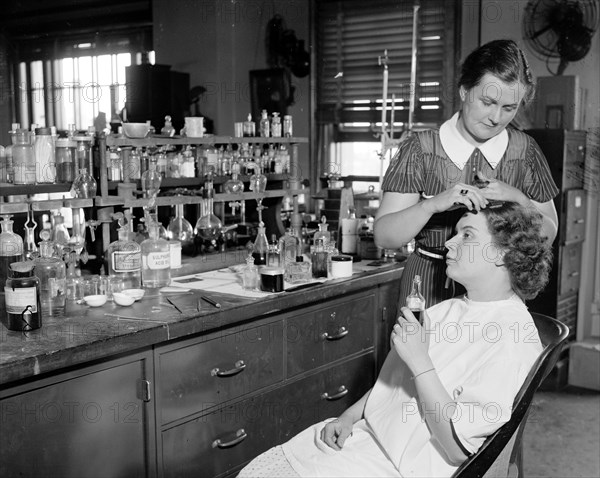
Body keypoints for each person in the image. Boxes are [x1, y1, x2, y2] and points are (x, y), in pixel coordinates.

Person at [238, 201, 553, 478]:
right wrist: (349, 416)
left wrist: (420, 360)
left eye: (467, 235)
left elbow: (459, 450)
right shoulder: (446, 310)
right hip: (374, 437)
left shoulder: (514, 338)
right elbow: (394, 385)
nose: (450, 244)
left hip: (416, 464)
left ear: (503, 253)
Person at [374, 39, 559, 308]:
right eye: (487, 102)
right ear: (463, 91)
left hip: (495, 294)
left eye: (509, 108)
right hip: (426, 286)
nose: (496, 117)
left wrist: (519, 198)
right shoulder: (421, 149)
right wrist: (432, 205)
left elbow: (548, 234)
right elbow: (384, 237)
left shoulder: (526, 151)